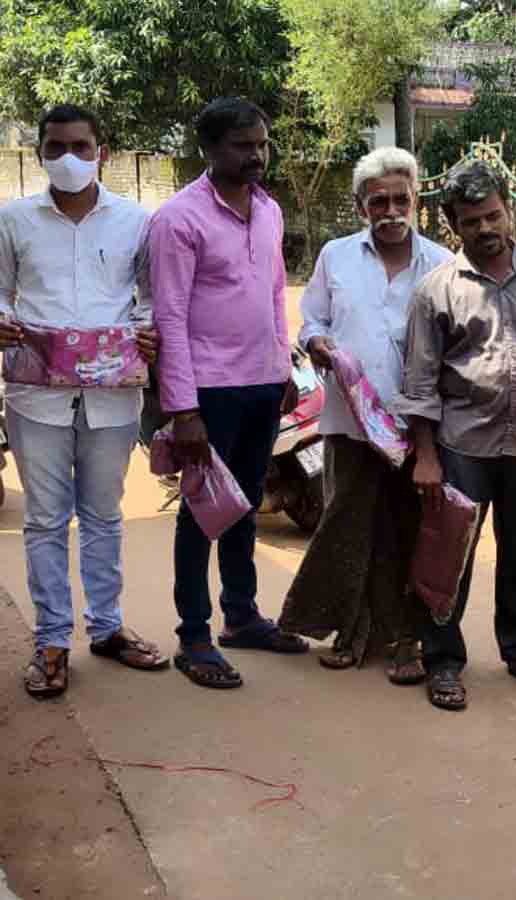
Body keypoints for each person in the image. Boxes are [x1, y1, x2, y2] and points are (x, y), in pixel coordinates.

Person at [400, 159, 516, 712]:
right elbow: (419, 383)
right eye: (470, 221)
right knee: (447, 553)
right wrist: (426, 457)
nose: (484, 229)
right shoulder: (437, 291)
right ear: (452, 226)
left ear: (510, 210)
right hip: (462, 446)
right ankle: (443, 659)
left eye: (492, 215)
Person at [0, 104, 167, 697]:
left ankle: (107, 627)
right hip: (34, 394)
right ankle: (51, 641)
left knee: (103, 515)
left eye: (80, 145)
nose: (67, 158)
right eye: (54, 147)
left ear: (103, 150)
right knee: (45, 521)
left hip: (112, 396)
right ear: (40, 152)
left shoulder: (136, 222)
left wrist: (146, 332)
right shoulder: (13, 219)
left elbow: (150, 298)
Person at [149, 97, 307, 690]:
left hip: (261, 384)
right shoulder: (179, 219)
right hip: (208, 392)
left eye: (262, 144)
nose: (257, 156)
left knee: (244, 506)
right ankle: (194, 636)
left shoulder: (268, 210)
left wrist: (282, 365)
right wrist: (183, 409)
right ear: (209, 150)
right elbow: (169, 317)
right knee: (202, 512)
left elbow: (271, 294)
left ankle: (241, 617)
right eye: (243, 146)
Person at [278, 147, 452, 680]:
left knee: (405, 528)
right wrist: (321, 344)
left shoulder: (441, 264)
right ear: (361, 206)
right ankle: (349, 633)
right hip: (350, 421)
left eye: (402, 199)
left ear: (417, 200)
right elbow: (311, 321)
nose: (392, 210)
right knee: (347, 523)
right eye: (380, 202)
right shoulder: (336, 256)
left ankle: (402, 638)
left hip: (413, 426)